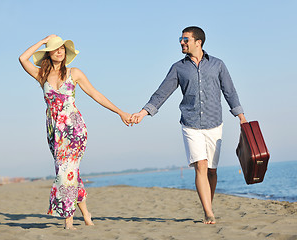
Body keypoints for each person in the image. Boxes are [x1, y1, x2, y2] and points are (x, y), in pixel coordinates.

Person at [131, 26, 247, 224]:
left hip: (214, 123)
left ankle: (207, 204)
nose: (181, 42)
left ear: (198, 42)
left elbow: (230, 91)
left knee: (212, 170)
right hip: (190, 123)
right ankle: (208, 213)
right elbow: (162, 92)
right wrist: (144, 112)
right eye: (181, 39)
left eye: (185, 39)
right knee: (200, 165)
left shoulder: (218, 65)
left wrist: (241, 117)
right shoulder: (178, 68)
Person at [19, 35, 131, 229]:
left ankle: (68, 220)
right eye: (55, 48)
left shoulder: (74, 72)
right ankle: (87, 214)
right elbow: (22, 58)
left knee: (65, 172)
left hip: (74, 130)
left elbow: (96, 94)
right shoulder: (41, 75)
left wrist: (120, 112)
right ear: (48, 53)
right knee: (70, 173)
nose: (60, 51)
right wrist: (44, 41)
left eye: (62, 48)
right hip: (54, 131)